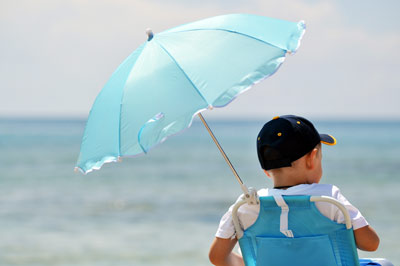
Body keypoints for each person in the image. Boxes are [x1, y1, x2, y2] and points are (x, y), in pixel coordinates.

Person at [209, 115, 380, 266]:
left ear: (266, 170)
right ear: (312, 159)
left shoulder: (246, 205)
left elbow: (217, 257)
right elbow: (371, 244)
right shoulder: (328, 198)